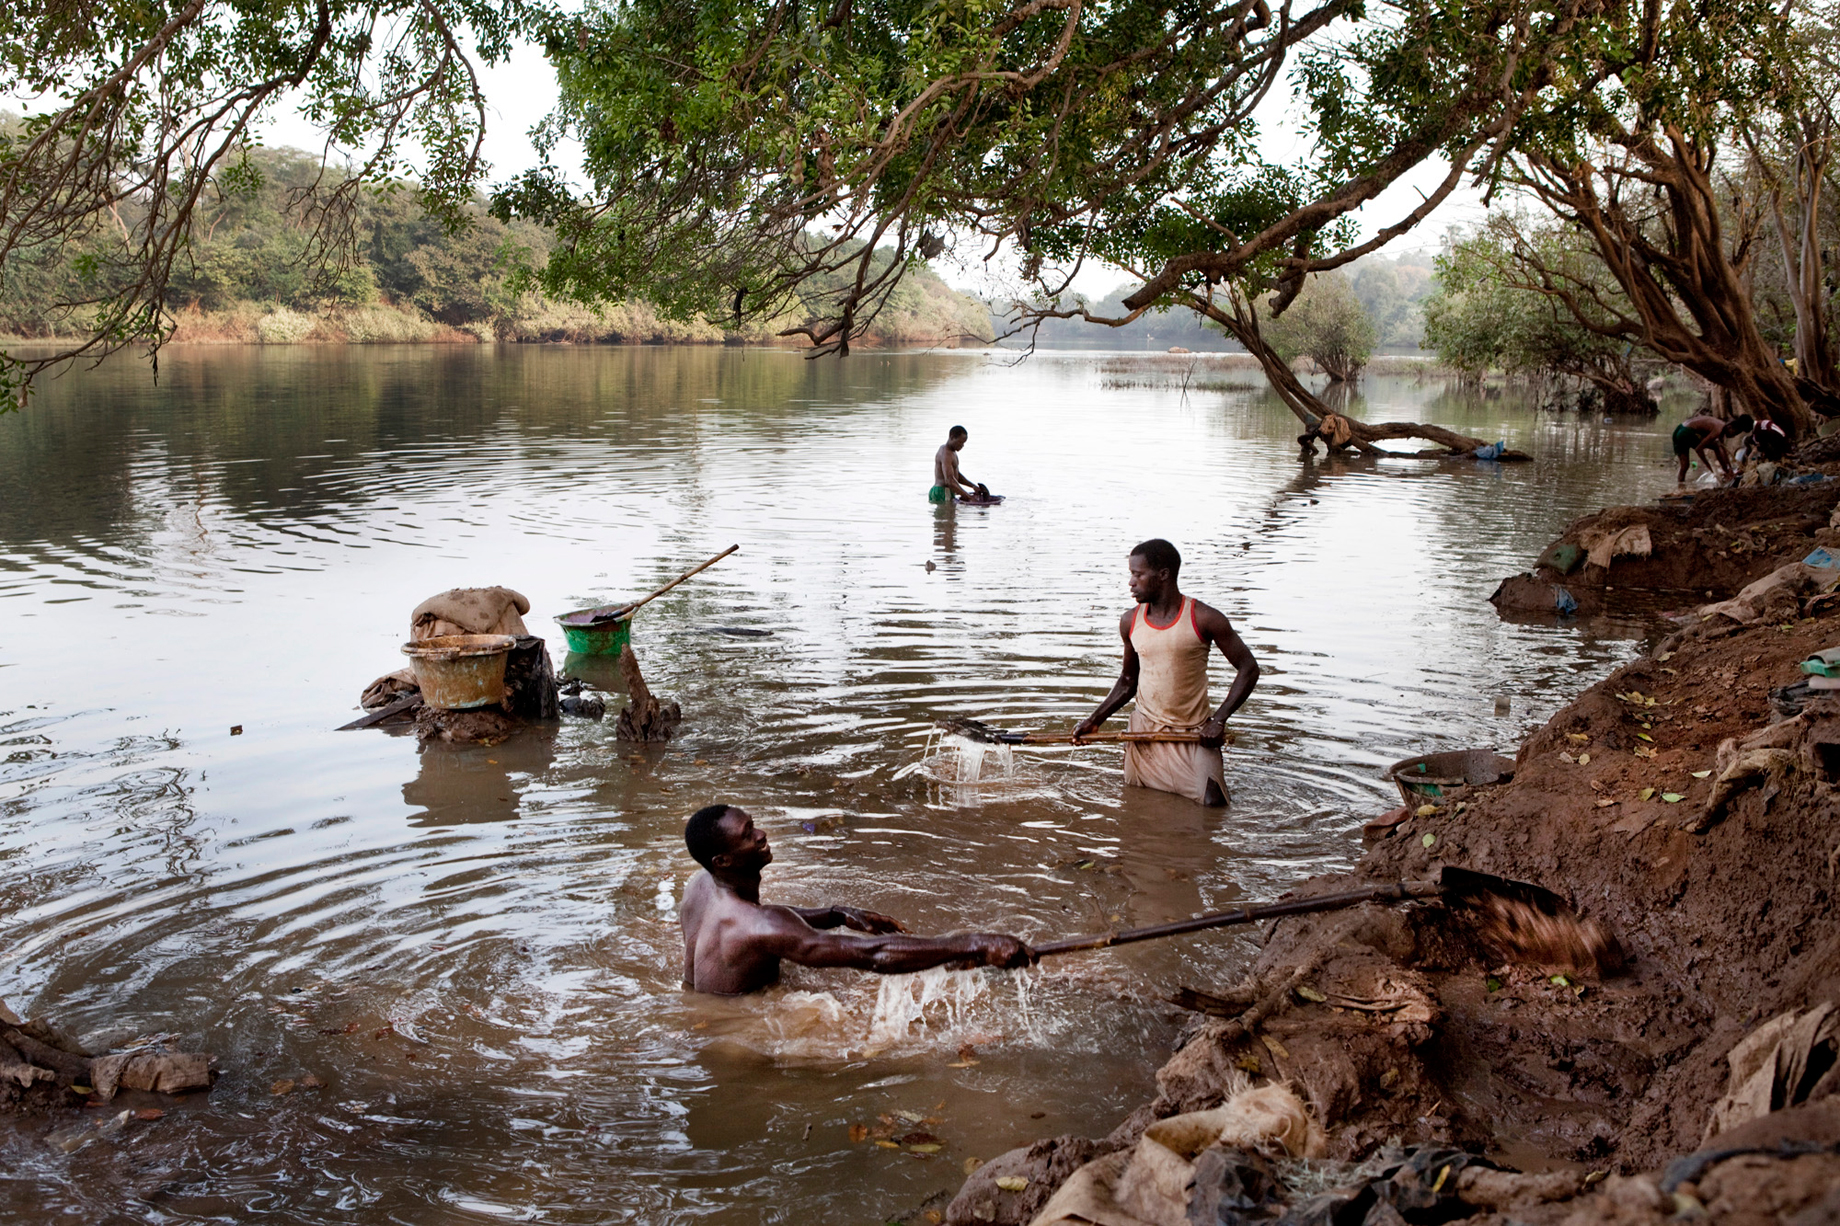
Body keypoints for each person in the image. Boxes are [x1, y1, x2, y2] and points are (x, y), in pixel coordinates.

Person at [679, 804, 1034, 995]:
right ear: (722, 861)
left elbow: (766, 925)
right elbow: (873, 955)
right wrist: (974, 944)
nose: (761, 834)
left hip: (703, 1011)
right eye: (747, 835)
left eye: (753, 824)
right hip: (739, 1032)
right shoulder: (757, 924)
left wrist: (835, 914)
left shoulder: (700, 887)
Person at [1072, 539, 1260, 807]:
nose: (1131, 582)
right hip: (1144, 732)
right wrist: (1094, 720)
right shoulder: (1130, 621)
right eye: (1131, 574)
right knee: (1139, 803)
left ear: (1163, 575)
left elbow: (1249, 668)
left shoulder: (1204, 618)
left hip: (1194, 734)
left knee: (1213, 804)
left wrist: (1218, 720)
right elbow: (1128, 682)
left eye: (1138, 574)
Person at [1673, 414, 1752, 483]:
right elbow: (1699, 449)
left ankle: (1680, 486)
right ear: (1730, 427)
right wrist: (1710, 469)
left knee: (1684, 466)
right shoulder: (1718, 430)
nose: (1733, 436)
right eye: (1734, 433)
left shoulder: (1721, 426)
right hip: (1686, 432)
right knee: (1715, 447)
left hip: (1679, 429)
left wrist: (1730, 469)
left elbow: (1723, 451)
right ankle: (1727, 472)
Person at [930, 426, 984, 503]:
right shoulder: (946, 454)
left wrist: (973, 486)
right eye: (960, 442)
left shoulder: (952, 452)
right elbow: (949, 480)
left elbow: (956, 476)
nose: (962, 446)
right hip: (943, 492)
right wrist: (968, 497)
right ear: (952, 437)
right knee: (949, 515)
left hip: (944, 492)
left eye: (963, 443)